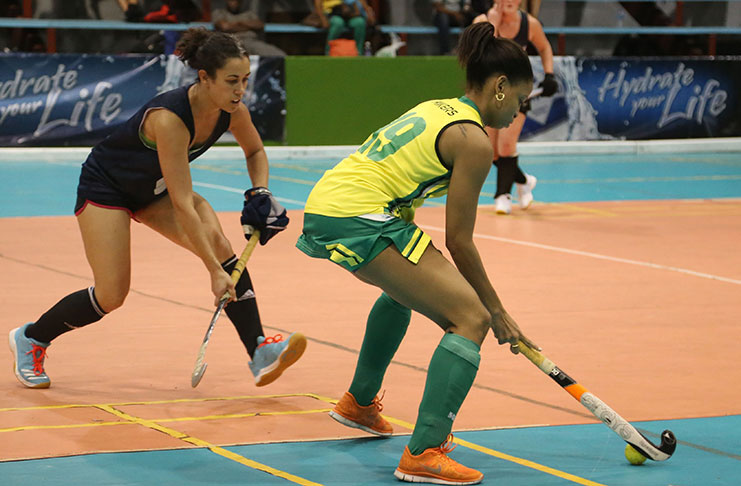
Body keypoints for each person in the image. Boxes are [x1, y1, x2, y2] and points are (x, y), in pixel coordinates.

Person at [296, 21, 538, 485]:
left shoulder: (439, 108)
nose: (519, 113)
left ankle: (359, 405)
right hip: (358, 214)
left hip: (333, 203)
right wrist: (497, 310)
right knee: (471, 319)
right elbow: (459, 240)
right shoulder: (475, 142)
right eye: (521, 101)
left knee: (401, 293)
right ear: (501, 86)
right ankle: (425, 450)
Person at [9, 28, 306, 390]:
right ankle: (32, 338)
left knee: (220, 244)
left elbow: (256, 152)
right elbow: (183, 203)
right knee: (111, 295)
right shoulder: (170, 118)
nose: (240, 90)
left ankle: (259, 350)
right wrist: (213, 271)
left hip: (154, 190)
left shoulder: (232, 111)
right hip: (108, 189)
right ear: (204, 78)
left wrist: (260, 190)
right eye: (231, 81)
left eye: (244, 80)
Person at [474, 0, 557, 214]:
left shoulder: (529, 24)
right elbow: (478, 56)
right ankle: (524, 181)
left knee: (506, 146)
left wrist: (549, 74)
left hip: (517, 91)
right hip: (490, 94)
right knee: (491, 152)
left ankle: (503, 195)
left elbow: (545, 47)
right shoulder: (482, 22)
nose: (509, 1)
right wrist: (492, 26)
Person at [212, 0, 287, 57]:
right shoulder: (219, 12)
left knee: (279, 54)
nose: (233, 3)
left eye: (236, 1)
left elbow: (259, 25)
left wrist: (237, 24)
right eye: (231, 0)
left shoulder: (249, 14)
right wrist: (247, 26)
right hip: (230, 43)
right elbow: (224, 27)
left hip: (251, 42)